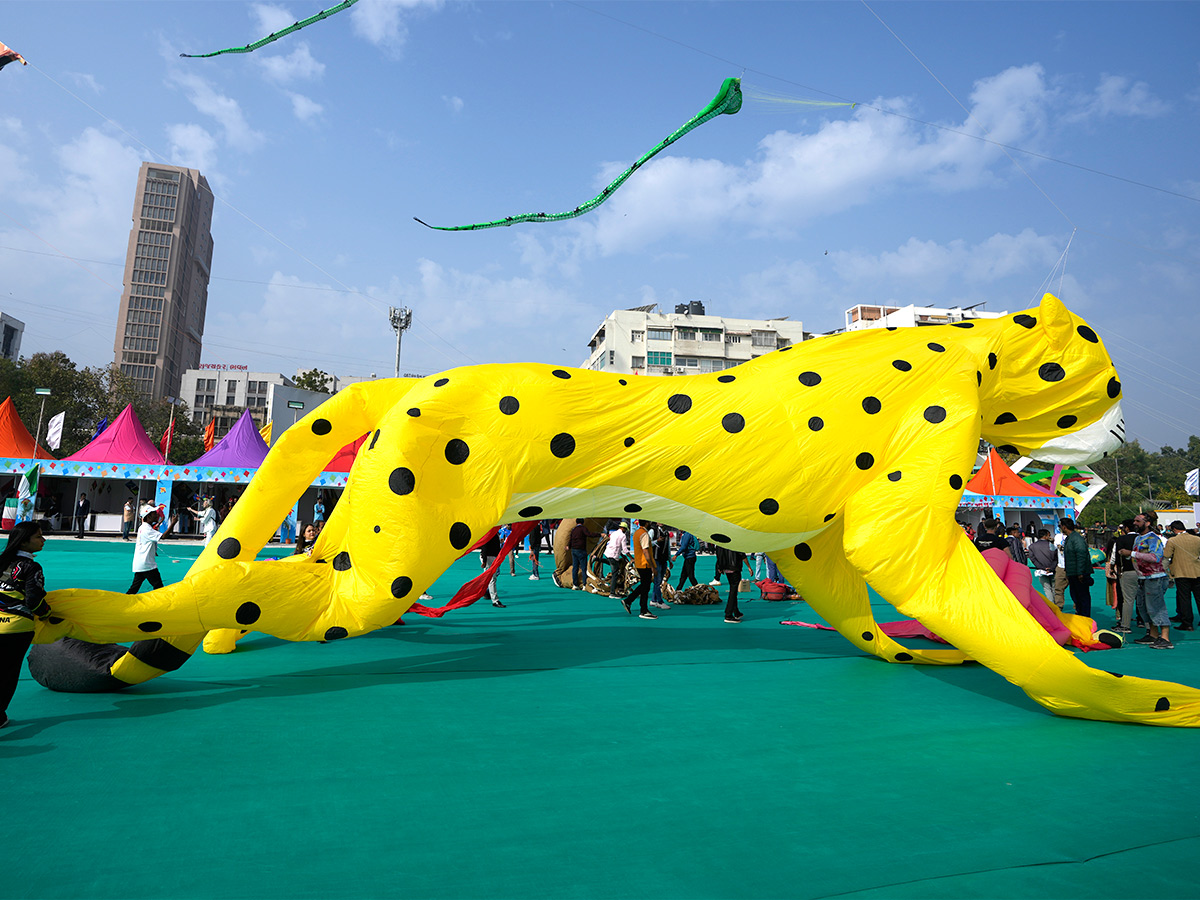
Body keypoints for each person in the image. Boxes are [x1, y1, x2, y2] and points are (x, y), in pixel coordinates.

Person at [0, 521, 49, 729]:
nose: (43, 540)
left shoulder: (2, 562)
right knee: (7, 675)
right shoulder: (31, 567)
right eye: (39, 536)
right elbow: (34, 601)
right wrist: (47, 613)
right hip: (15, 629)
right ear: (25, 541)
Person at [1120, 513, 1172, 649]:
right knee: (1144, 608)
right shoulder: (1138, 538)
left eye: (1138, 521)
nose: (1135, 523)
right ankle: (1153, 635)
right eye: (1134, 521)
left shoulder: (1153, 539)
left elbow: (1156, 557)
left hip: (1155, 578)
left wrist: (1131, 553)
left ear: (1147, 523)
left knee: (1156, 607)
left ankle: (1165, 637)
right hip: (1143, 578)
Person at [128, 509, 179, 594]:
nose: (157, 515)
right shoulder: (147, 529)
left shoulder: (144, 527)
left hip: (142, 563)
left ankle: (124, 602)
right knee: (159, 588)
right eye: (155, 514)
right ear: (148, 516)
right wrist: (173, 523)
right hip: (147, 564)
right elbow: (163, 536)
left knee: (134, 588)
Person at [1163, 520, 1200, 631]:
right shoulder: (1197, 539)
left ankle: (1187, 623)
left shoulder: (1173, 540)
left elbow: (1167, 555)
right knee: (1199, 597)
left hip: (1181, 573)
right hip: (1197, 572)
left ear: (1174, 529)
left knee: (1184, 598)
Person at [620, 521, 658, 619]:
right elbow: (645, 551)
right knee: (646, 587)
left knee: (644, 586)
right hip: (645, 564)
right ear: (646, 524)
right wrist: (653, 566)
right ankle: (643, 610)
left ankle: (630, 601)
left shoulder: (637, 533)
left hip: (639, 563)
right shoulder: (644, 534)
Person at [1107, 520, 1137, 633]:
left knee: (1127, 599)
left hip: (1127, 570)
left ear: (1126, 529)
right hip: (1143, 571)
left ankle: (1125, 624)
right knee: (1143, 599)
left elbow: (1115, 556)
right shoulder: (1142, 538)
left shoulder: (1121, 540)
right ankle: (1145, 624)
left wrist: (1113, 567)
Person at [1061, 518, 1092, 618]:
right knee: (1076, 596)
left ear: (1064, 527)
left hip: (1078, 573)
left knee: (1082, 597)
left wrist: (1080, 572)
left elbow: (1081, 555)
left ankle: (1085, 617)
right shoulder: (1071, 538)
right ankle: (1081, 614)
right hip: (1073, 572)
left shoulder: (1076, 539)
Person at [714, 545, 750, 623]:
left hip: (726, 568)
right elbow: (742, 554)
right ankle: (728, 615)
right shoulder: (735, 541)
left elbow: (718, 554)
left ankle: (736, 612)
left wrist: (720, 567)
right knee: (733, 591)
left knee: (733, 589)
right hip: (734, 567)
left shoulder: (720, 543)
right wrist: (749, 567)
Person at [1028, 529, 1058, 600]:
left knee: (1046, 588)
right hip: (1053, 569)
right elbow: (1056, 558)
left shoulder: (1032, 546)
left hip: (1041, 570)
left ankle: (1051, 606)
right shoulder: (1052, 545)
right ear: (1046, 535)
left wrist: (1042, 567)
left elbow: (1033, 559)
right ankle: (1056, 606)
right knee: (1054, 588)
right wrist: (1051, 567)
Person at [567, 518, 595, 590]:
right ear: (583, 522)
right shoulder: (583, 528)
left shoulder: (573, 530)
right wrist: (599, 534)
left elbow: (571, 539)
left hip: (574, 550)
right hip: (581, 550)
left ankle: (575, 584)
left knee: (575, 568)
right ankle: (584, 585)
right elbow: (589, 534)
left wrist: (568, 546)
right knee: (583, 568)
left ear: (576, 523)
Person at [602, 521, 629, 593]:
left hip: (608, 553)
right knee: (615, 574)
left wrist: (623, 556)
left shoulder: (613, 533)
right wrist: (631, 558)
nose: (625, 531)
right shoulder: (623, 536)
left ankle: (599, 559)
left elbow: (615, 545)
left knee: (610, 562)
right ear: (623, 528)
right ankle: (612, 592)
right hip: (614, 555)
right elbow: (625, 549)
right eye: (625, 529)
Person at [480, 530, 504, 607]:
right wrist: (484, 560)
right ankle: (495, 600)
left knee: (490, 578)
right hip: (489, 557)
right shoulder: (490, 533)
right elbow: (484, 547)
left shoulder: (494, 533)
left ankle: (487, 593)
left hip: (493, 557)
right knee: (492, 579)